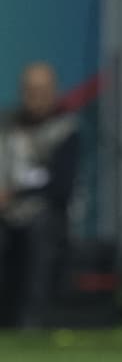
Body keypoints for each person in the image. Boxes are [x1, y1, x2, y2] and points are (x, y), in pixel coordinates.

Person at [0, 62, 79, 328]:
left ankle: (33, 317)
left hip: (43, 211)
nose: (34, 97)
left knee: (40, 228)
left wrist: (14, 194)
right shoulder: (7, 127)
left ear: (53, 92)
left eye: (41, 90)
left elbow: (60, 187)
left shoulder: (65, 131)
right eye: (29, 90)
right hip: (5, 211)